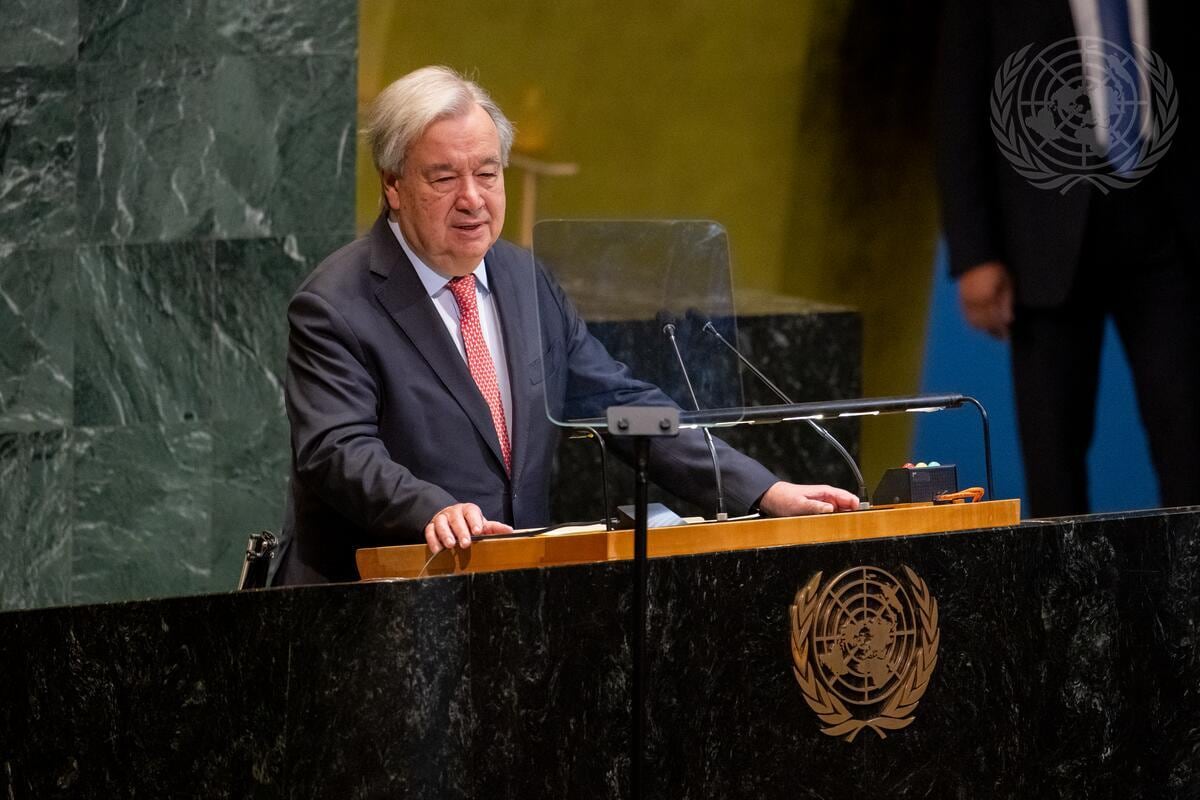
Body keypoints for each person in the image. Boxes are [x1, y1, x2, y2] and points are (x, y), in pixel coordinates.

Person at [273, 66, 858, 586]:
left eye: (488, 173)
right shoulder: (334, 304)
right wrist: (430, 509)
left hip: (512, 596)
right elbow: (337, 450)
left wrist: (760, 489)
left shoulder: (525, 278)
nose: (473, 199)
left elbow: (622, 405)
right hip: (373, 606)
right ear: (393, 186)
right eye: (444, 178)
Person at [936, 1, 1199, 518]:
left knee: (1189, 436)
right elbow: (957, 106)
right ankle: (1064, 598)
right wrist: (974, 254)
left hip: (1168, 230)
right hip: (1042, 241)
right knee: (1053, 455)